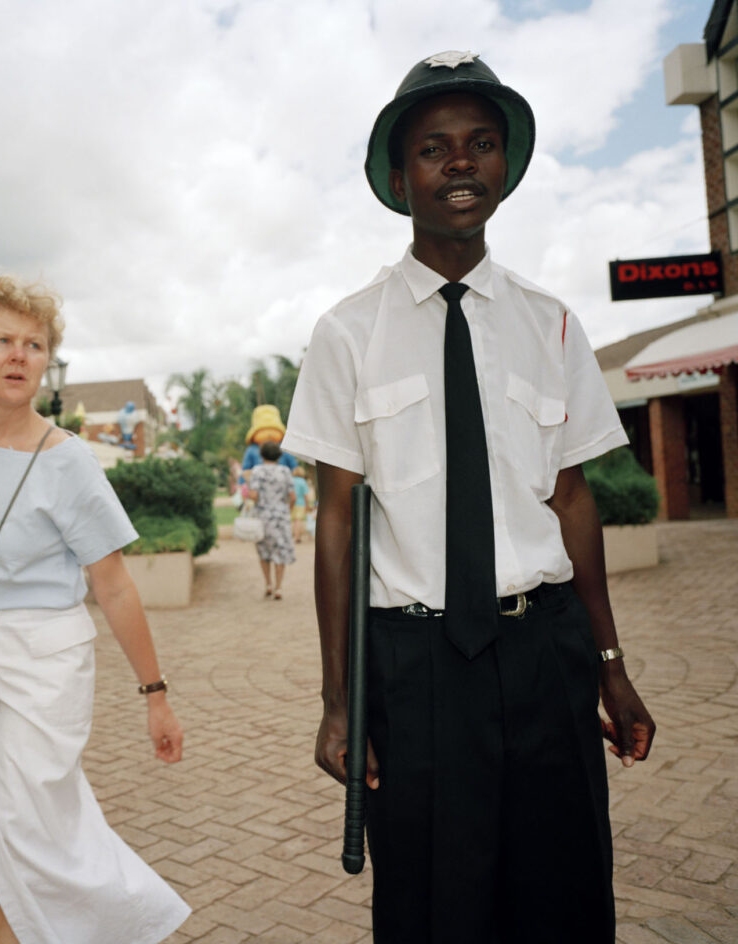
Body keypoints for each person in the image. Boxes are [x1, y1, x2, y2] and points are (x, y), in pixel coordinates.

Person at [281, 51, 655, 943]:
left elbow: (571, 500)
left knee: (564, 897)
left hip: (545, 650)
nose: (460, 163)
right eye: (434, 148)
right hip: (415, 667)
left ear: (504, 167)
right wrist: (339, 700)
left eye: (480, 144)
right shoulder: (347, 334)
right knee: (431, 908)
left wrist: (610, 664)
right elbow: (337, 520)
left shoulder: (551, 322)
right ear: (399, 175)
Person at [0, 271, 190, 944]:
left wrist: (155, 694)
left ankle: (127, 917)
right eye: (2, 340)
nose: (18, 355)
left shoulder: (69, 463)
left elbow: (115, 585)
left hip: (44, 662)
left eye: (34, 344)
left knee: (27, 838)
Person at [247, 440, 296, 600]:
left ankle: (268, 583)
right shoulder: (285, 471)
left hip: (263, 517)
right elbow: (292, 496)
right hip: (281, 516)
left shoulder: (257, 471)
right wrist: (288, 509)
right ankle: (279, 587)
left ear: (262, 455)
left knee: (264, 551)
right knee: (280, 551)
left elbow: (253, 495)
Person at [290, 466, 311, 543]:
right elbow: (305, 495)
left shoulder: (291, 480)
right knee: (299, 520)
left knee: (293, 520)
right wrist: (307, 505)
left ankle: (294, 536)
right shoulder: (303, 481)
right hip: (301, 504)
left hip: (292, 503)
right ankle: (297, 537)